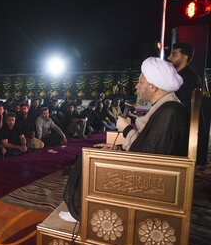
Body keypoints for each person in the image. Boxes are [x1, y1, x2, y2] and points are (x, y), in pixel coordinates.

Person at [64, 57, 188, 222]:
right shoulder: (167, 107)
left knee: (88, 158)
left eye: (140, 82)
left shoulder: (170, 112)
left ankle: (81, 211)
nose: (137, 86)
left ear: (153, 86)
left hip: (152, 183)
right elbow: (148, 148)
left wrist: (126, 129)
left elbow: (148, 158)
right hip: (151, 173)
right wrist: (118, 149)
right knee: (92, 151)